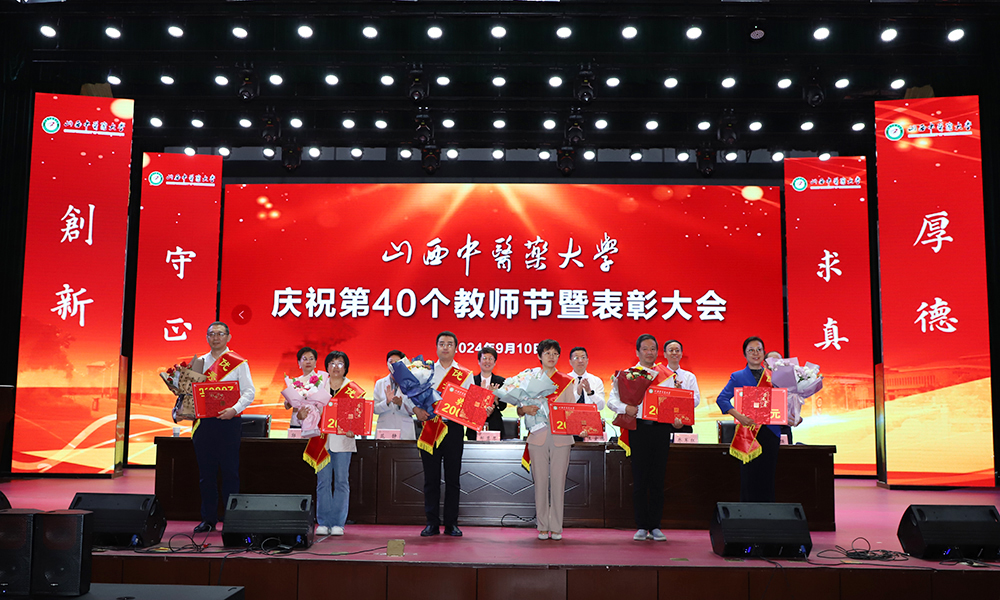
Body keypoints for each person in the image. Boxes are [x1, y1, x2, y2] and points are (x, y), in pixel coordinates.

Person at [608, 334, 682, 542]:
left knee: (658, 479)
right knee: (640, 479)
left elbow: (675, 403)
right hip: (639, 429)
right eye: (645, 349)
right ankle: (641, 525)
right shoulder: (628, 375)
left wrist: (678, 419)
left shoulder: (667, 375)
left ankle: (655, 525)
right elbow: (612, 401)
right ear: (637, 352)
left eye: (653, 349)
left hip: (661, 429)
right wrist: (626, 408)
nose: (650, 352)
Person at [506, 339, 577, 540]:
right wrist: (524, 409)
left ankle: (556, 527)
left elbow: (571, 409)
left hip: (561, 437)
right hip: (537, 436)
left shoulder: (566, 381)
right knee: (540, 483)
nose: (551, 357)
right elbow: (519, 410)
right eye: (547, 353)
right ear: (539, 356)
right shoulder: (528, 379)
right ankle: (543, 526)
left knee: (558, 483)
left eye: (555, 353)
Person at [192, 321, 255, 534]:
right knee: (206, 474)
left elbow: (249, 392)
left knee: (230, 472)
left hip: (229, 423)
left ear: (228, 337)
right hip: (204, 424)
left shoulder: (238, 362)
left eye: (220, 334)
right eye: (212, 334)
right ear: (207, 337)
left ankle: (231, 519)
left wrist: (234, 409)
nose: (216, 337)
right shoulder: (199, 363)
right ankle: (208, 519)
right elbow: (191, 393)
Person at [414, 331, 472, 537]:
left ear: (456, 348)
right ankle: (431, 523)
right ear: (436, 347)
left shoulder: (465, 374)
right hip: (431, 426)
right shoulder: (425, 371)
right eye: (441, 344)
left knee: (453, 479)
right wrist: (416, 410)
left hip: (454, 429)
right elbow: (411, 396)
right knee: (431, 479)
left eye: (449, 344)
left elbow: (469, 404)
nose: (445, 347)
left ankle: (451, 524)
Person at [299, 350, 358, 536]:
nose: (336, 367)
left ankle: (338, 522)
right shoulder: (317, 386)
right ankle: (323, 522)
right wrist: (301, 415)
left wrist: (354, 428)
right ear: (326, 367)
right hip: (321, 441)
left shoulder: (353, 389)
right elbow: (308, 411)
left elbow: (358, 416)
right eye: (332, 363)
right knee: (323, 482)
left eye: (340, 363)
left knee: (341, 482)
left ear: (346, 367)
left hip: (343, 442)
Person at [716, 337, 781, 503]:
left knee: (768, 477)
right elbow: (722, 399)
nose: (755, 353)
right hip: (748, 432)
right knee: (749, 477)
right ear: (745, 354)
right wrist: (740, 417)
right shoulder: (738, 376)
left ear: (764, 353)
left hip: (771, 431)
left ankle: (768, 513)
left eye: (759, 350)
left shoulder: (774, 376)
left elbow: (782, 401)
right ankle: (748, 513)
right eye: (751, 350)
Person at [373, 350, 416, 440]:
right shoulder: (380, 383)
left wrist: (401, 404)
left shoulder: (411, 383)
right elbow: (374, 409)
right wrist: (386, 403)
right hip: (384, 430)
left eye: (396, 361)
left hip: (404, 430)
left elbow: (415, 410)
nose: (393, 364)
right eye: (390, 362)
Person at [565, 346, 606, 441]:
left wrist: (590, 393)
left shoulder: (596, 380)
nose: (580, 361)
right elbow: (563, 405)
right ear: (570, 362)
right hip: (569, 426)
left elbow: (601, 406)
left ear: (587, 360)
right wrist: (577, 393)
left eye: (583, 357)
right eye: (576, 358)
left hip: (590, 426)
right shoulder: (564, 380)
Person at [467, 346, 507, 440]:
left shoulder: (500, 381)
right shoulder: (471, 380)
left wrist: (496, 399)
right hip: (474, 425)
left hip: (495, 424)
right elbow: (467, 405)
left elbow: (503, 406)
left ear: (495, 362)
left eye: (490, 359)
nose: (487, 361)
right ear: (479, 361)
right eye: (484, 358)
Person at [662, 340, 701, 434]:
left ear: (681, 354)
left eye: (677, 350)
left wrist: (682, 392)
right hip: (663, 423)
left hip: (685, 422)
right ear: (665, 354)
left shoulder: (689, 376)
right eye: (671, 350)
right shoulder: (659, 375)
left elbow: (696, 401)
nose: (674, 353)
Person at [765, 350, 804, 444]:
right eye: (772, 360)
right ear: (765, 364)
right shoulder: (757, 382)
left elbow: (793, 406)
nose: (775, 363)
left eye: (779, 361)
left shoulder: (789, 383)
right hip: (763, 430)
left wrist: (796, 417)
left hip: (784, 430)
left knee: (786, 453)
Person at [282, 347, 323, 432]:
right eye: (305, 359)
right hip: (296, 423)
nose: (308, 362)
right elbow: (287, 406)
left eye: (311, 359)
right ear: (299, 363)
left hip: (314, 424)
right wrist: (292, 399)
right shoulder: (295, 382)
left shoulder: (321, 381)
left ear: (315, 362)